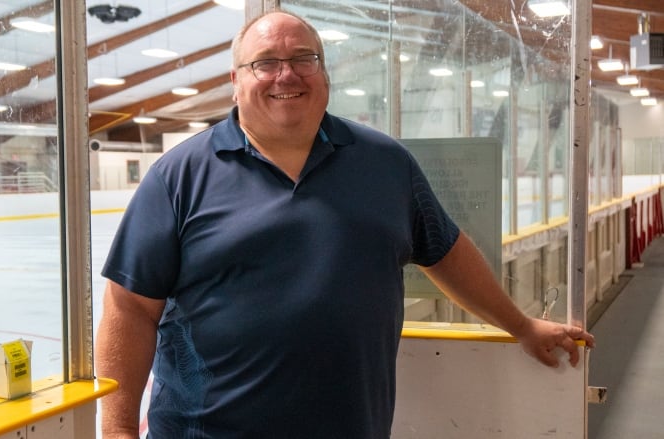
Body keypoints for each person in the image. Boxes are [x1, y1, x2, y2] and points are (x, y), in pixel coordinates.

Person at [95, 9, 595, 439]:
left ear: (324, 72)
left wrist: (521, 325)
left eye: (303, 59)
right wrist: (117, 429)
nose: (285, 75)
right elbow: (129, 307)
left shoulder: (385, 163)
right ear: (236, 79)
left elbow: (446, 251)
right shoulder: (178, 177)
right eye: (265, 62)